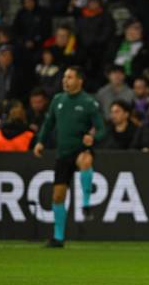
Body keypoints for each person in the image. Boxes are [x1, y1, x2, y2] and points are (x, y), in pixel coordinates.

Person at [34, 67, 106, 248]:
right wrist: (40, 142)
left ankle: (86, 204)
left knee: (86, 160)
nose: (65, 80)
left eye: (70, 77)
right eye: (64, 77)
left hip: (81, 149)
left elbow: (102, 128)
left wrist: (93, 138)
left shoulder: (89, 102)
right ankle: (58, 238)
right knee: (58, 196)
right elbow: (48, 123)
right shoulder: (58, 100)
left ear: (79, 81)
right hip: (63, 153)